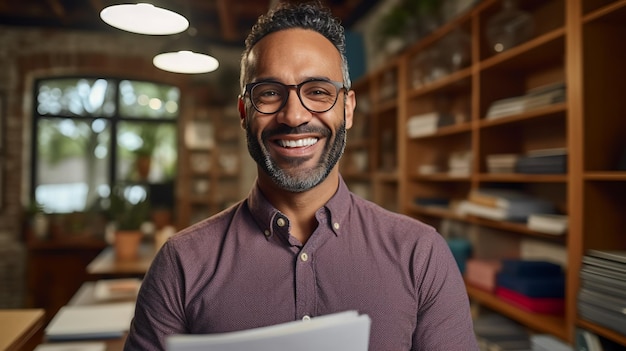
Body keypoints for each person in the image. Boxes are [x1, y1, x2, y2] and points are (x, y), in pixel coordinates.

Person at [124, 2, 478, 350]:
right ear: (244, 112)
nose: (294, 116)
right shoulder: (180, 263)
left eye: (318, 92)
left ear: (348, 109)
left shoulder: (421, 255)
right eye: (269, 93)